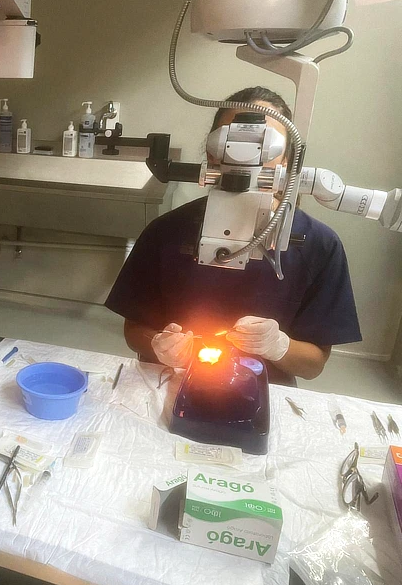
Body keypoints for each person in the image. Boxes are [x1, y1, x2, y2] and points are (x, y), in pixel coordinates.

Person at [105, 87, 362, 385]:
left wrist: (278, 346)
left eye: (262, 146)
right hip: (174, 381)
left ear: (285, 160)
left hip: (264, 388)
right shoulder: (166, 232)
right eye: (233, 143)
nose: (245, 158)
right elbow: (134, 329)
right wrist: (159, 346)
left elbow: (312, 365)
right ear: (212, 154)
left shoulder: (320, 245)